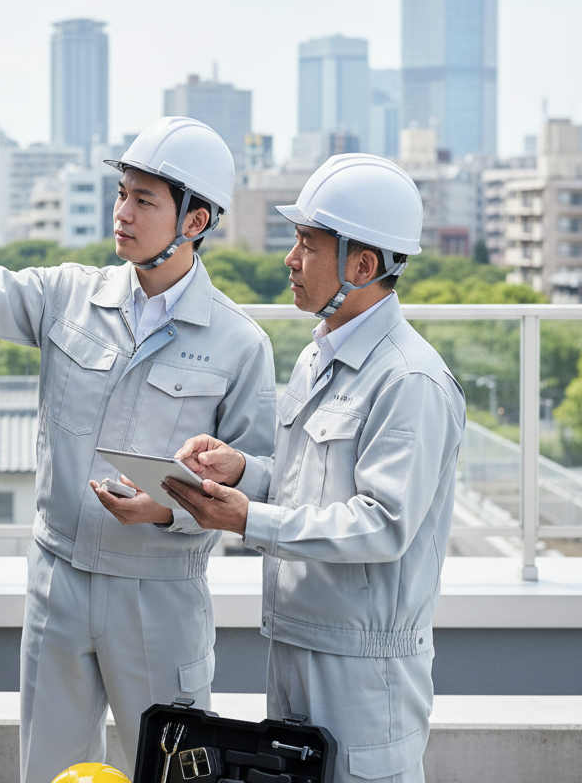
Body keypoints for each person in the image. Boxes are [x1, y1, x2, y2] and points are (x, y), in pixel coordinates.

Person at [0, 117, 277, 782]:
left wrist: (169, 510)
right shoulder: (69, 296)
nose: (121, 212)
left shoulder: (239, 344)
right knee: (49, 769)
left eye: (144, 200)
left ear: (196, 220)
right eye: (122, 193)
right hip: (58, 580)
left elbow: (259, 476)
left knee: (176, 772)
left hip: (160, 592)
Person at [166, 153, 466, 783]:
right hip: (295, 644)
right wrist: (243, 471)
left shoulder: (409, 380)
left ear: (363, 264)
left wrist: (250, 519)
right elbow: (310, 488)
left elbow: (382, 525)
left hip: (362, 671)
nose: (290, 258)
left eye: (307, 242)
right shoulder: (316, 357)